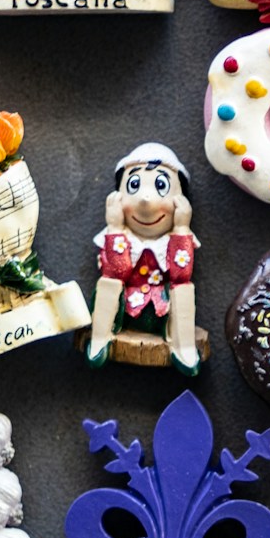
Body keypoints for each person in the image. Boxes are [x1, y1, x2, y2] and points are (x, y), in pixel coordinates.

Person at [86, 143, 201, 374]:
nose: (145, 200)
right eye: (134, 185)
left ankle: (183, 347)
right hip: (125, 311)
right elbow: (117, 271)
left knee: (183, 287)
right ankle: (100, 339)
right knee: (108, 283)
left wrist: (181, 229)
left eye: (161, 185)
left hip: (162, 312)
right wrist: (115, 227)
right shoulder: (116, 236)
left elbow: (181, 273)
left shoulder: (174, 238)